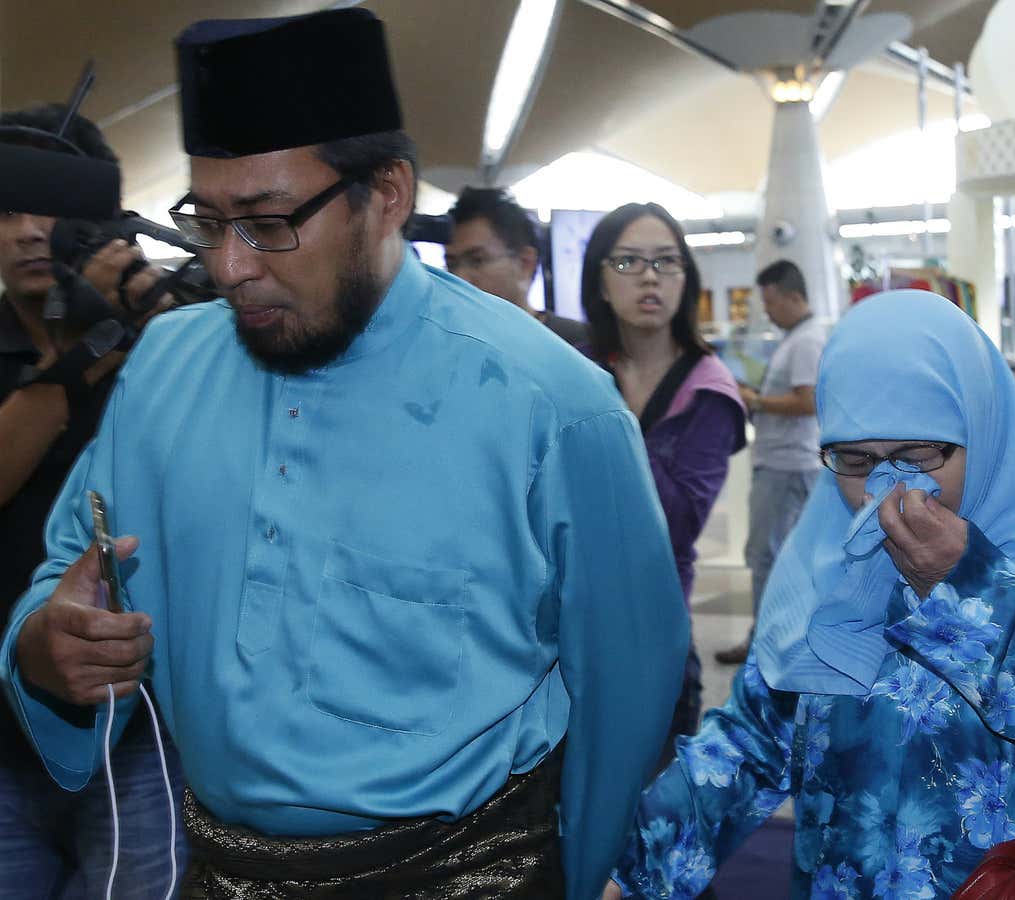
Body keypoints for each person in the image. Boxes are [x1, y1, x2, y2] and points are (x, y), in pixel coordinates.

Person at [0, 10, 687, 899]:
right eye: (207, 222)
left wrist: (577, 874)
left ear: (388, 194)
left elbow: (627, 690)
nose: (233, 266)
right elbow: (70, 562)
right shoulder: (164, 370)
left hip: (471, 877)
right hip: (216, 873)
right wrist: (45, 649)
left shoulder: (553, 407)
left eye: (269, 220)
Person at [605, 290, 1015, 899]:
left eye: (916, 454)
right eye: (856, 459)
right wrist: (633, 870)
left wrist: (965, 593)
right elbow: (753, 738)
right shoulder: (831, 551)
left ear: (980, 425)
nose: (887, 488)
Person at [0, 104, 188, 898]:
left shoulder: (166, 337)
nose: (29, 232)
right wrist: (80, 351)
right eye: (6, 209)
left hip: (138, 722)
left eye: (49, 206)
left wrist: (151, 328)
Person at [580, 201, 747, 759]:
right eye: (628, 261)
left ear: (685, 281)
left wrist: (615, 414)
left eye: (666, 262)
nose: (649, 276)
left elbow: (673, 526)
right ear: (600, 282)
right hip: (567, 631)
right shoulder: (574, 368)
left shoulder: (710, 391)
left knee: (649, 815)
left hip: (653, 635)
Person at [715, 259, 825, 666]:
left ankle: (765, 642)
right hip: (781, 463)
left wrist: (757, 400)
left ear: (794, 296)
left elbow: (808, 400)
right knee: (773, 555)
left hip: (787, 465)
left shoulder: (806, 341)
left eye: (773, 302)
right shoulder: (795, 338)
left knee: (766, 555)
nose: (770, 312)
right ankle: (771, 636)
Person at [444, 186, 590, 345]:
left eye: (477, 261)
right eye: (451, 264)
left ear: (525, 263)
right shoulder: (451, 345)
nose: (459, 278)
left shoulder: (578, 345)